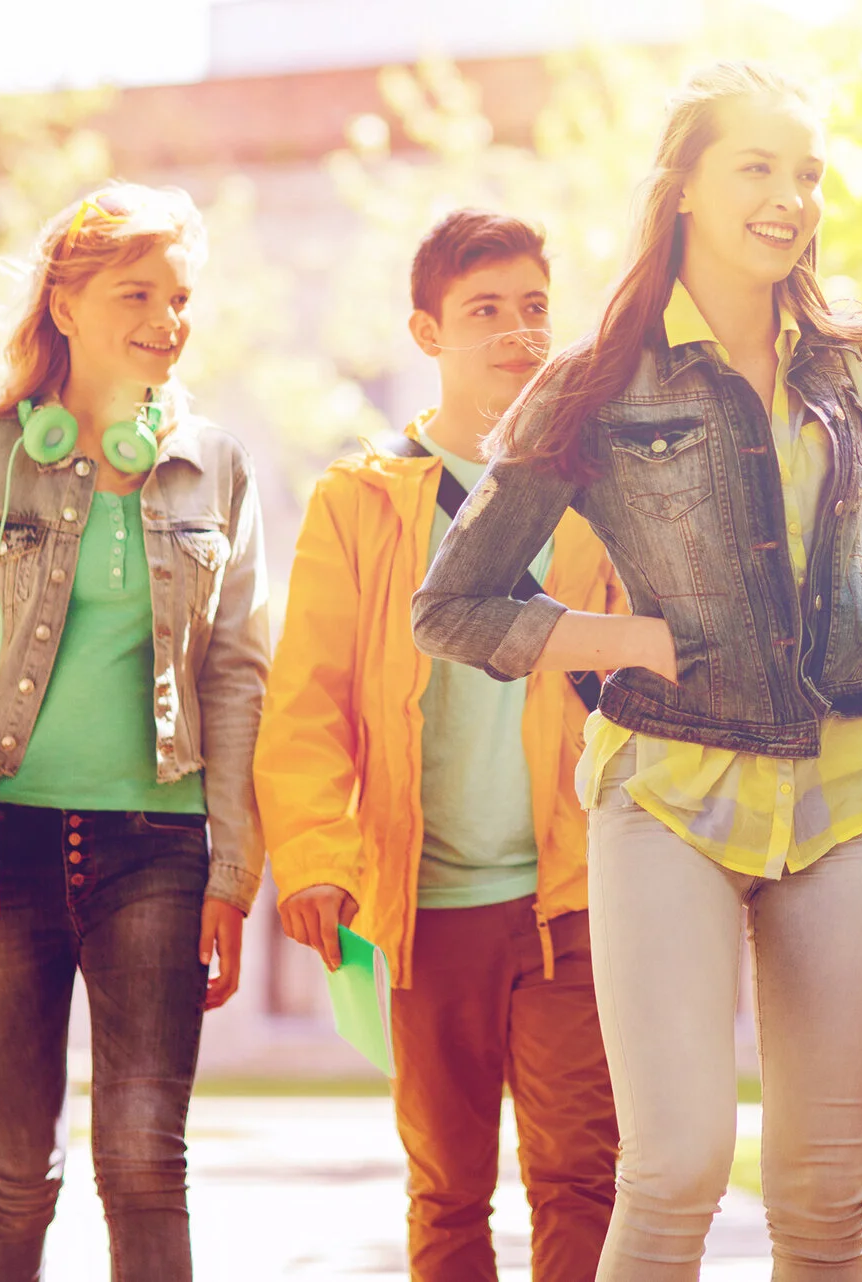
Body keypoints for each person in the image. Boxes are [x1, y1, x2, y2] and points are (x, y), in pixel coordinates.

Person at [410, 60, 862, 1280]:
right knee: (677, 1168)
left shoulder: (847, 357)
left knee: (825, 1191)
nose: (789, 198)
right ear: (686, 188)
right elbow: (452, 603)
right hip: (669, 796)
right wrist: (633, 641)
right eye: (757, 167)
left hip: (850, 789)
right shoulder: (598, 378)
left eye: (806, 173)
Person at [0, 183, 268, 1282]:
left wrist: (234, 870)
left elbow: (240, 675)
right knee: (16, 1171)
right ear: (64, 304)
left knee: (144, 1162)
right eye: (136, 293)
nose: (166, 319)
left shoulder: (217, 466)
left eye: (179, 297)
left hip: (160, 846)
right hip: (1, 846)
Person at [255, 209, 626, 1282]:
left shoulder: (598, 492)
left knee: (581, 1175)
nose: (516, 333)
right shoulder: (363, 500)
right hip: (426, 901)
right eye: (484, 310)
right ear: (428, 332)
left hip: (573, 890)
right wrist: (315, 858)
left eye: (533, 308)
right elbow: (309, 698)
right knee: (449, 1187)